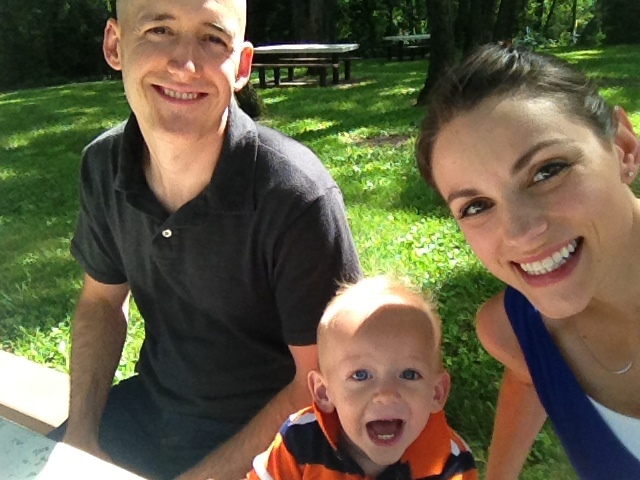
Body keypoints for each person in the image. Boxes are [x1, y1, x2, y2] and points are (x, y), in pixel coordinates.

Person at [55, 1, 362, 479]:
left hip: (279, 441)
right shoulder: (104, 164)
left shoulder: (296, 195)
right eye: (159, 30)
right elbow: (100, 302)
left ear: (241, 66)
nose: (185, 64)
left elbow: (322, 381)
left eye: (213, 39)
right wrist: (81, 437)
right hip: (152, 412)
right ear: (115, 45)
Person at [416, 43, 640, 479]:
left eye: (546, 171)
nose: (520, 231)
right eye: (477, 206)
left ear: (624, 149)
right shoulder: (514, 332)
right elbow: (530, 375)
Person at [247, 276, 478, 479]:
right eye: (361, 375)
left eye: (409, 374)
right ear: (323, 392)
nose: (386, 394)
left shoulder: (450, 461)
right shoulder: (300, 440)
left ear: (436, 392)